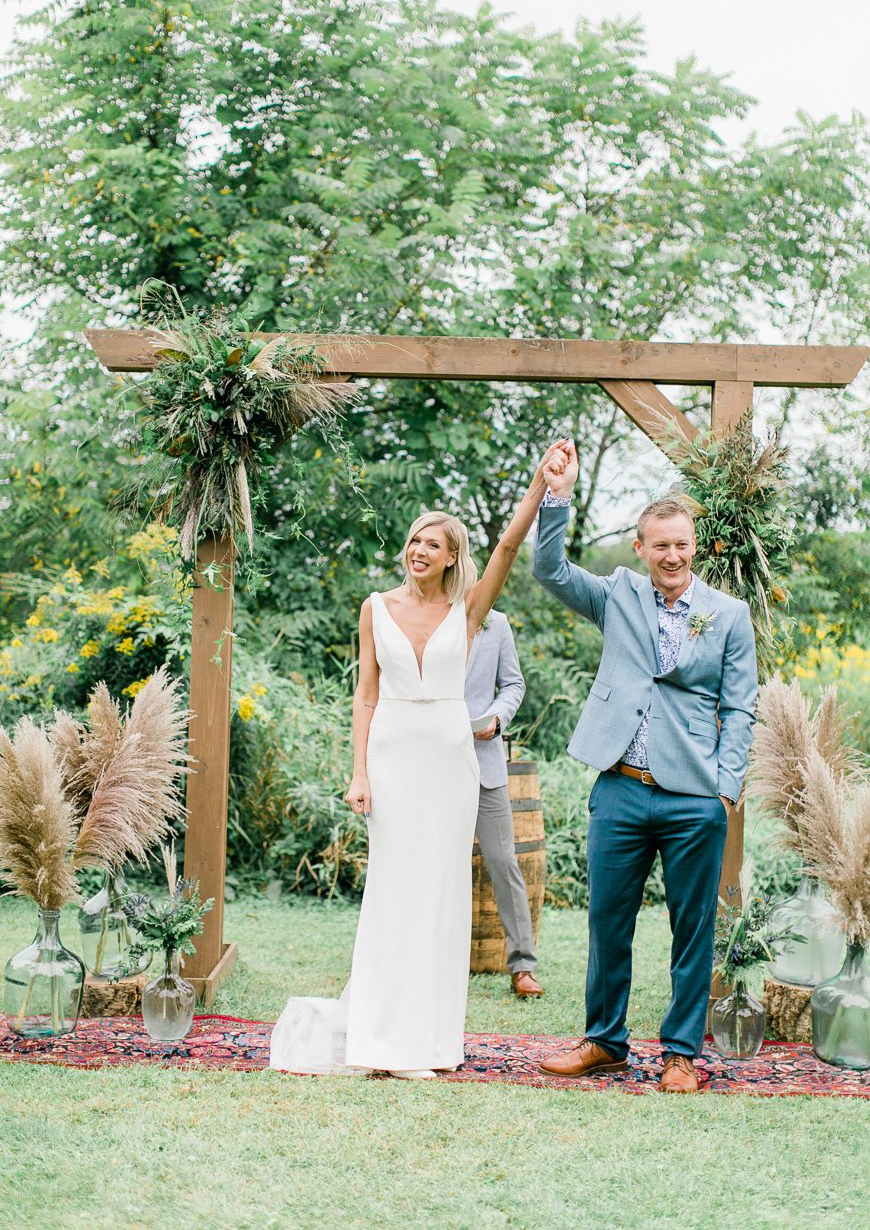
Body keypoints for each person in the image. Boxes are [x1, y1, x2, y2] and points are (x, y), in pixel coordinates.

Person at [269, 448, 561, 1079]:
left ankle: (429, 1042)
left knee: (441, 895)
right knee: (393, 889)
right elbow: (365, 693)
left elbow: (509, 546)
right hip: (395, 751)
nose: (419, 550)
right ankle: (380, 1037)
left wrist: (539, 483)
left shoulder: (469, 611)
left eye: (433, 543)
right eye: (413, 540)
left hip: (452, 756)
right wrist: (359, 772)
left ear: (452, 556)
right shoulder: (376, 607)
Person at [533, 440, 757, 1094]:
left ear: (696, 546)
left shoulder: (727, 616)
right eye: (659, 545)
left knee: (692, 931)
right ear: (640, 548)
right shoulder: (617, 596)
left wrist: (725, 789)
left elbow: (742, 708)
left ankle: (680, 1054)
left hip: (694, 799)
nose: (672, 555)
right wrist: (558, 496)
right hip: (620, 791)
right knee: (607, 921)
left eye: (681, 545)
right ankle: (604, 1041)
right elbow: (549, 569)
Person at [466, 611, 543, 997]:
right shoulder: (428, 612)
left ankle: (523, 965)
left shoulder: (495, 622)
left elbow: (513, 683)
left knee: (503, 861)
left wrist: (496, 718)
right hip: (430, 764)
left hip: (484, 759)